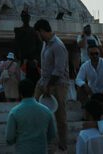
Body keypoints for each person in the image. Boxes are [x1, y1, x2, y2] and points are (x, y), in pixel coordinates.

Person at [33, 19, 69, 152]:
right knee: (34, 107)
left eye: (38, 33)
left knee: (60, 116)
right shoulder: (46, 44)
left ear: (42, 31)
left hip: (58, 84)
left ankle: (63, 144)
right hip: (43, 81)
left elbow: (59, 69)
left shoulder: (58, 45)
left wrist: (49, 86)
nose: (37, 37)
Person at [4, 77, 56, 154]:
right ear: (34, 91)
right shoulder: (46, 111)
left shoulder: (14, 112)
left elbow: (9, 138)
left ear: (20, 93)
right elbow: (52, 135)